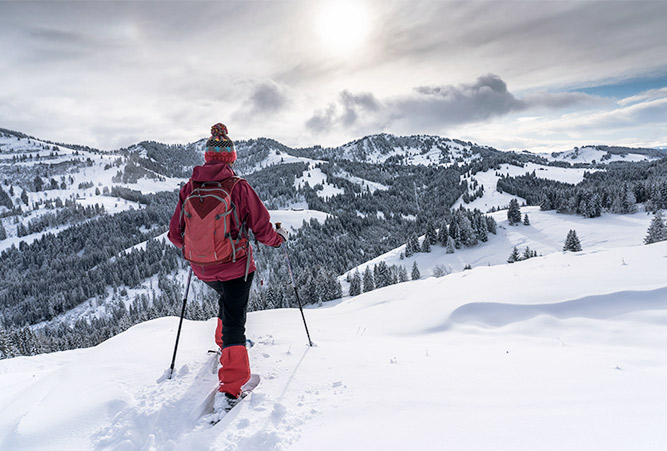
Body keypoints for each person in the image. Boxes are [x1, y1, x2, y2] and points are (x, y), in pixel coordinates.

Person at [168, 123, 287, 406]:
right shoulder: (238, 187)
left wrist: (197, 249)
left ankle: (224, 344)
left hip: (202, 268)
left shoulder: (190, 188)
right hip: (236, 267)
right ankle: (231, 387)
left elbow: (175, 234)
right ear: (231, 158)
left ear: (207, 157)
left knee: (226, 300)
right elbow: (261, 229)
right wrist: (279, 241)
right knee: (236, 320)